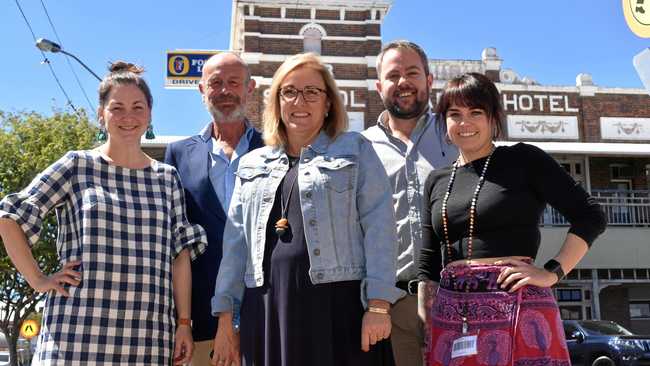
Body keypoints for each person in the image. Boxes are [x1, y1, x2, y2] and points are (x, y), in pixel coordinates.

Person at [0, 61, 207, 365]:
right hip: (74, 337)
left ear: (149, 114)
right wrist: (38, 279)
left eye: (137, 107)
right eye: (117, 108)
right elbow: (9, 216)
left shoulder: (166, 178)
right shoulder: (77, 166)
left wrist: (184, 324)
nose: (128, 117)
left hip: (149, 339)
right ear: (101, 115)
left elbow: (179, 257)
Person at [210, 53, 404, 366]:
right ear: (277, 102)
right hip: (267, 308)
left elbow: (380, 228)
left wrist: (379, 306)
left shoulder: (355, 149)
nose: (300, 101)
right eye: (289, 91)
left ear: (328, 103)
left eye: (312, 92)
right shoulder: (250, 165)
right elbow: (235, 247)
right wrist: (225, 321)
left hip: (339, 307)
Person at [417, 72, 607, 365]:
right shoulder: (437, 179)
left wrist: (552, 272)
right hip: (451, 315)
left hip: (518, 307)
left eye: (475, 112)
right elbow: (428, 261)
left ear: (494, 117)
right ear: (444, 122)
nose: (464, 123)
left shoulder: (524, 160)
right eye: (455, 114)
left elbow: (590, 216)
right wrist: (426, 322)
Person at [164, 52, 264, 365]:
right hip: (201, 323)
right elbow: (173, 240)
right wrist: (181, 321)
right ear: (201, 90)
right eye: (215, 83)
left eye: (233, 82)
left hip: (266, 314)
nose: (224, 91)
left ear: (250, 88)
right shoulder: (178, 154)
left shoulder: (277, 148)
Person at [362, 40, 458, 366]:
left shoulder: (458, 133)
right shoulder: (360, 149)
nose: (403, 82)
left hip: (459, 299)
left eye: (412, 73)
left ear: (429, 81)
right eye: (393, 75)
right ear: (379, 87)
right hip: (391, 307)